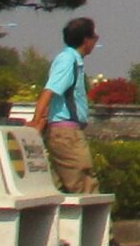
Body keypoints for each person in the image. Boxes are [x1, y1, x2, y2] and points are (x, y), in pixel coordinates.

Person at [34, 16, 99, 193]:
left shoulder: (73, 61)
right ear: (86, 40)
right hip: (66, 135)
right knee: (85, 187)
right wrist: (35, 122)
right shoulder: (67, 61)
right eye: (94, 37)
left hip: (66, 133)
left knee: (60, 190)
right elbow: (50, 91)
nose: (96, 41)